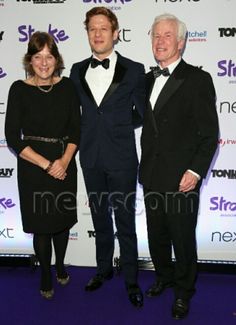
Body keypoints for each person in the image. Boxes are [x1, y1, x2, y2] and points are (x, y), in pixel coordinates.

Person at [139, 14, 219, 319]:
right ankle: (164, 277)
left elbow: (210, 134)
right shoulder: (145, 80)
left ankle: (184, 291)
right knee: (156, 235)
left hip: (182, 177)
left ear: (181, 42)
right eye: (156, 35)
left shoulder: (198, 80)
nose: (160, 41)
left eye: (167, 36)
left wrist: (196, 171)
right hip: (151, 174)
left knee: (182, 238)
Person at [70, 6, 145, 308]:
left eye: (103, 28)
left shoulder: (135, 69)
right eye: (92, 29)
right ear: (87, 34)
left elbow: (142, 113)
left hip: (123, 157)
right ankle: (103, 270)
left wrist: (120, 126)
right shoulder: (76, 70)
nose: (98, 34)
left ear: (116, 33)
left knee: (125, 221)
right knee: (101, 218)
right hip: (90, 157)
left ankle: (130, 280)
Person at [5, 31, 80, 299]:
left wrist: (64, 161)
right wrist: (47, 165)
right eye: (38, 57)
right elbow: (12, 136)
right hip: (34, 167)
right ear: (30, 60)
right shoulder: (18, 89)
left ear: (57, 59)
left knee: (61, 223)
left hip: (65, 162)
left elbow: (76, 129)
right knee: (41, 225)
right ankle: (46, 272)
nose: (44, 63)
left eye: (49, 56)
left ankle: (60, 264)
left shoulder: (69, 86)